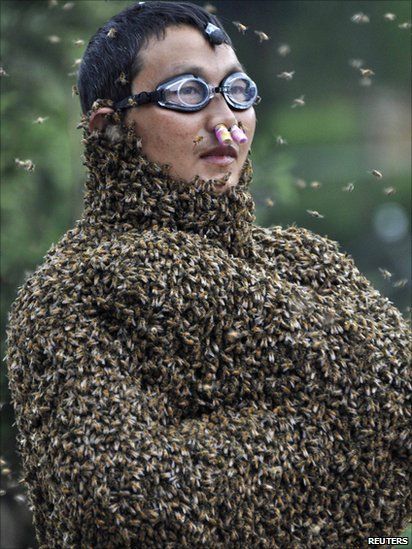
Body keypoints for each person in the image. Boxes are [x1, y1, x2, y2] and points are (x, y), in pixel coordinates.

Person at [6, 2, 410, 548]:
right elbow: (125, 508)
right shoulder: (68, 296)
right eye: (188, 93)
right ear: (109, 126)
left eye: (238, 90)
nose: (225, 120)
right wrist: (352, 441)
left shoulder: (306, 263)